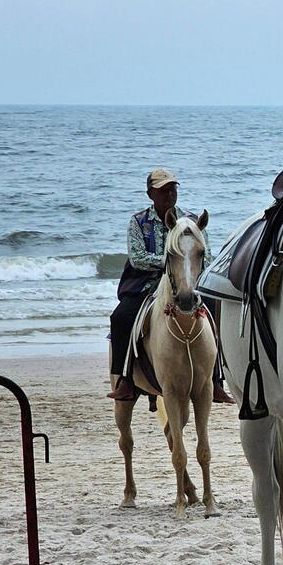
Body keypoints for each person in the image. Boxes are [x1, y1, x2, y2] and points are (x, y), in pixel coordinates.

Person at [106, 168, 235, 404]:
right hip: (146, 284)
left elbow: (206, 256)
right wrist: (171, 262)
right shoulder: (138, 222)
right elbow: (137, 257)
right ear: (150, 194)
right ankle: (125, 378)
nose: (169, 194)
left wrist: (187, 266)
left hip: (187, 283)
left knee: (217, 310)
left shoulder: (192, 221)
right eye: (163, 190)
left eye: (173, 189)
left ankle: (216, 380)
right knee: (121, 318)